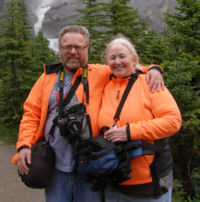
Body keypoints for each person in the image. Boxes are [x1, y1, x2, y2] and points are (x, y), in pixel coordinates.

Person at [12, 25, 164, 202]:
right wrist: (24, 145)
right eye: (67, 47)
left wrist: (154, 69)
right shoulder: (46, 78)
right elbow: (31, 115)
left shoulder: (100, 73)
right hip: (55, 168)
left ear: (87, 48)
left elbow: (127, 67)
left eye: (79, 47)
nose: (73, 51)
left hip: (91, 166)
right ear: (60, 49)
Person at [97, 35, 182, 202]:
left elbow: (173, 121)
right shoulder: (105, 85)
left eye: (122, 56)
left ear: (134, 59)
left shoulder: (150, 82)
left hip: (150, 183)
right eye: (112, 58)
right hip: (113, 182)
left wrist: (130, 131)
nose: (117, 61)